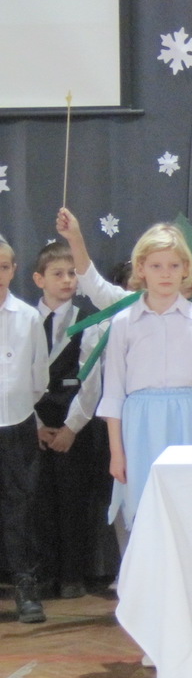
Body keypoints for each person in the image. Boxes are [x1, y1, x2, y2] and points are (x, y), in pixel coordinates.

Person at [98, 224, 192, 536]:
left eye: (173, 266)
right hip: (140, 424)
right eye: (156, 266)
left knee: (187, 513)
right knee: (144, 512)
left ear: (186, 269)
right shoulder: (123, 322)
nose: (165, 274)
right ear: (141, 269)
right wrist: (117, 453)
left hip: (187, 420)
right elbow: (113, 393)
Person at [31, 240, 108, 600]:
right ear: (39, 279)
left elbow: (91, 381)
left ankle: (72, 574)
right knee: (37, 501)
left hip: (73, 425)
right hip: (32, 423)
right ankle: (43, 574)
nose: (67, 281)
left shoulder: (88, 323)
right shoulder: (23, 320)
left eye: (72, 274)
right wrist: (34, 424)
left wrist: (71, 427)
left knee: (74, 499)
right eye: (58, 274)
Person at [0, 233, 50, 623]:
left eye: (3, 267)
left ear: (14, 270)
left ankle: (25, 584)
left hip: (16, 423)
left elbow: (38, 378)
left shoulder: (28, 317)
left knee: (20, 507)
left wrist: (18, 407)